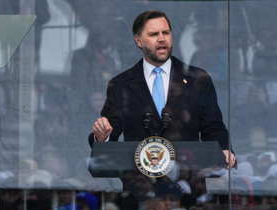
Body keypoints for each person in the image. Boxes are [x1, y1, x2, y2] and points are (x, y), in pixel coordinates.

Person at [89, 10, 235, 168]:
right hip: (140, 184)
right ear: (139, 41)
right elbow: (109, 133)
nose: (161, 38)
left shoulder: (197, 79)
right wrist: (102, 137)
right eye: (153, 34)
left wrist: (223, 149)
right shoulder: (120, 85)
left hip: (188, 182)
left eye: (166, 32)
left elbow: (213, 127)